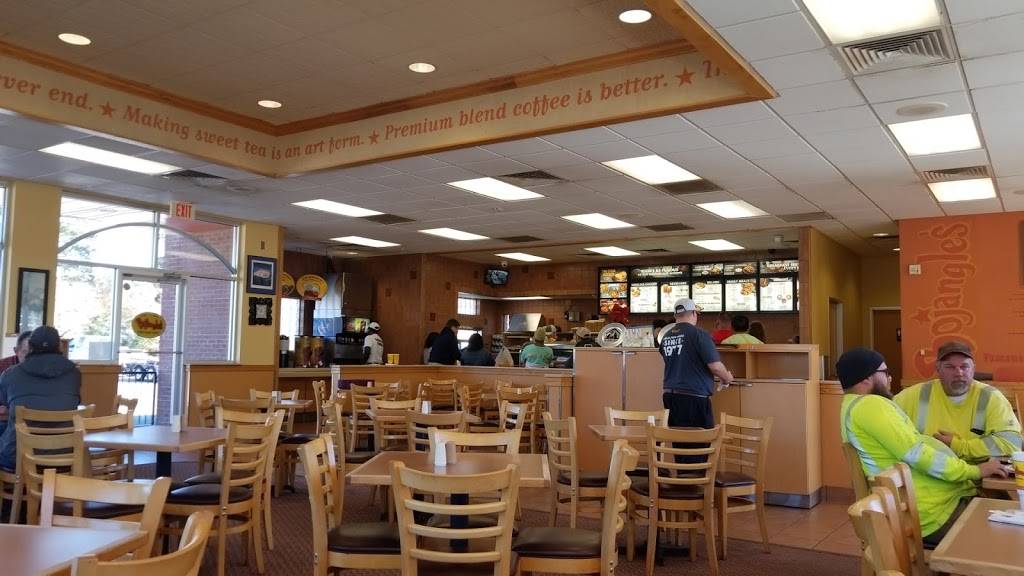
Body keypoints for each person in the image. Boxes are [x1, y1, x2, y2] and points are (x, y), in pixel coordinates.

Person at [837, 347, 1008, 546]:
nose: (890, 378)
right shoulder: (871, 405)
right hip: (932, 513)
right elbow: (919, 455)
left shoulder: (851, 406)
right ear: (866, 378)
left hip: (921, 507)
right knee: (1007, 534)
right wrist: (976, 471)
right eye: (885, 372)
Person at [894, 341, 1022, 461]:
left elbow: (1012, 443)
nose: (958, 373)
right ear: (938, 369)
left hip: (980, 474)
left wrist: (960, 447)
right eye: (950, 367)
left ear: (973, 369)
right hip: (926, 471)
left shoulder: (991, 397)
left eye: (964, 366)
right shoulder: (912, 396)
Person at [0, 326, 82, 471]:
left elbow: (7, 406)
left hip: (18, 457)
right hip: (65, 456)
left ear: (30, 347)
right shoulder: (74, 374)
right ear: (60, 347)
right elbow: (75, 402)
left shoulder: (10, 374)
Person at [659, 298, 733, 435]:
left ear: (675, 315)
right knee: (700, 441)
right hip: (694, 397)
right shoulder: (699, 334)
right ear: (694, 313)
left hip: (670, 396)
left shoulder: (666, 337)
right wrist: (726, 378)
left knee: (679, 440)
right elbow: (716, 367)